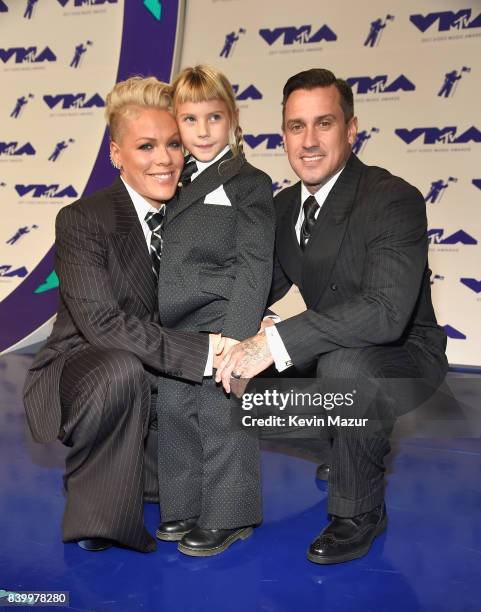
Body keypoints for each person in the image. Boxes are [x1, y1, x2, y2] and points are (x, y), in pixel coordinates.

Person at [217, 68, 448, 564]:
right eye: (296, 127)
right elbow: (255, 289)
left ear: (351, 129)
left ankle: (358, 511)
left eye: (324, 123)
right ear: (283, 136)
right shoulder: (282, 209)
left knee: (345, 370)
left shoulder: (392, 199)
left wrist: (273, 343)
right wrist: (225, 338)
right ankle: (346, 441)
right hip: (332, 349)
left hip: (402, 357)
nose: (310, 140)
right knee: (223, 382)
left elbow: (385, 315)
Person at [23, 76, 220, 554]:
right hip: (86, 368)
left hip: (160, 375)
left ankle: (345, 446)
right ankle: (100, 513)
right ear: (116, 154)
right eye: (146, 146)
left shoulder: (194, 212)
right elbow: (104, 326)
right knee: (120, 368)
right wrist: (209, 354)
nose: (165, 159)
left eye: (174, 144)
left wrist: (253, 327)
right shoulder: (83, 220)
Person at [155, 65, 275, 556]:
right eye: (189, 119)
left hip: (222, 319)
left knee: (221, 412)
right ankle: (182, 506)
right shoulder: (169, 180)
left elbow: (254, 264)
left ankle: (231, 514)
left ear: (233, 120)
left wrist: (241, 335)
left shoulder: (250, 182)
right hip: (173, 324)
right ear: (175, 125)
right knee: (174, 411)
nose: (202, 131)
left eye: (213, 117)